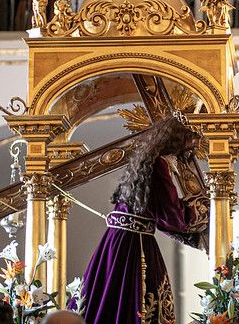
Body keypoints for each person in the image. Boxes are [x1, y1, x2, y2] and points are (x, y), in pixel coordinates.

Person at [72, 116, 209, 324]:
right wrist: (206, 204)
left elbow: (161, 215)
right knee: (134, 302)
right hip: (134, 247)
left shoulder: (147, 162)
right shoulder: (160, 165)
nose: (195, 146)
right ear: (178, 140)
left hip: (117, 241)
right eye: (192, 139)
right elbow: (173, 216)